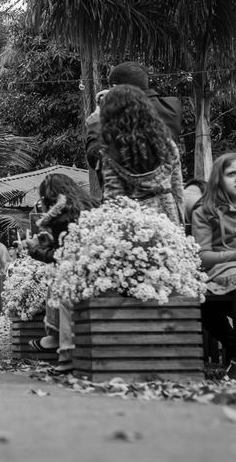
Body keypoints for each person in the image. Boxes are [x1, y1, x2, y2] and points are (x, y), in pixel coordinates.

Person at [25, 173, 98, 373]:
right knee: (55, 282)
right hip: (100, 267)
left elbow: (63, 257)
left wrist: (35, 250)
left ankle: (64, 351)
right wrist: (52, 243)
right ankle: (55, 338)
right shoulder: (91, 205)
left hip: (83, 274)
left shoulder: (62, 214)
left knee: (60, 288)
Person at [86, 61, 182, 188]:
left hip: (130, 198)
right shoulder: (173, 106)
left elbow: (98, 158)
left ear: (117, 88)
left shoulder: (125, 118)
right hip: (165, 193)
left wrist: (96, 124)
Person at [99, 84, 185, 224]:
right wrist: (181, 224)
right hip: (168, 217)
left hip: (134, 224)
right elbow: (178, 189)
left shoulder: (111, 154)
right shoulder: (167, 145)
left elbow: (114, 199)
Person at [191, 153, 236, 379]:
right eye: (232, 174)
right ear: (218, 178)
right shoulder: (205, 211)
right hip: (220, 276)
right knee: (201, 303)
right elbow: (203, 256)